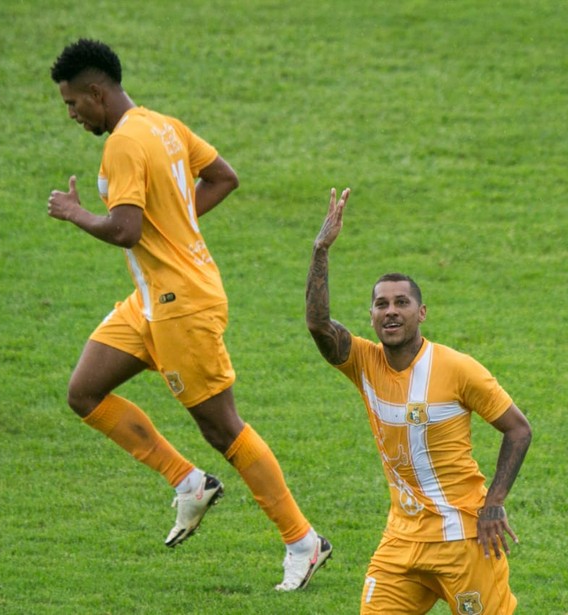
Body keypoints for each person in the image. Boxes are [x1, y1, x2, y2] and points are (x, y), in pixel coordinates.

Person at [46, 38, 330, 591]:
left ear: (96, 92)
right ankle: (188, 482)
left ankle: (303, 542)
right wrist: (178, 224)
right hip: (151, 301)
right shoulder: (164, 125)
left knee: (222, 427)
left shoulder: (124, 146)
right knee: (84, 392)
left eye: (72, 104)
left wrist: (76, 213)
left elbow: (125, 229)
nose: (72, 115)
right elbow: (224, 176)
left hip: (182, 305)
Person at [305, 188, 532, 613]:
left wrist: (494, 503)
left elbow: (518, 430)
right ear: (371, 316)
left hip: (462, 541)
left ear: (421, 313)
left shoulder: (459, 369)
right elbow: (318, 325)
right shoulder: (363, 361)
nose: (391, 311)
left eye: (401, 303)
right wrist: (321, 250)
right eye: (381, 304)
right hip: (401, 543)